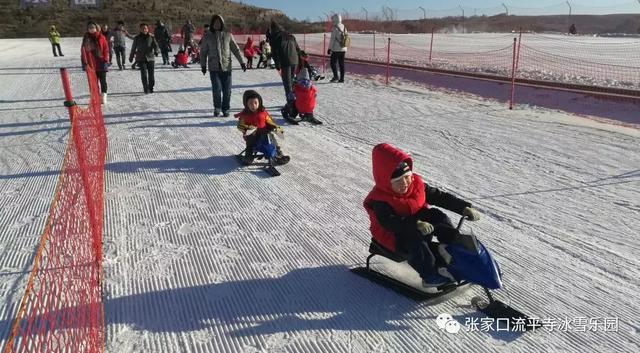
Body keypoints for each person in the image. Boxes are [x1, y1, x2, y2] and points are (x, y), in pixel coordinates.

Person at [363, 143, 481, 286]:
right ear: (386, 182)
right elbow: (389, 223)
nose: (405, 183)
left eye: (407, 177)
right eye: (398, 181)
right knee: (415, 242)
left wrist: (463, 208)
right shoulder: (380, 200)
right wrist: (416, 225)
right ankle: (430, 276)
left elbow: (439, 196)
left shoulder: (416, 185)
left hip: (420, 222)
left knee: (437, 215)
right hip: (393, 234)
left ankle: (450, 244)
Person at [200, 14, 246, 117]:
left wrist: (242, 62)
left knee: (227, 90)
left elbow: (236, 49)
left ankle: (225, 108)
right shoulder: (207, 36)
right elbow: (203, 52)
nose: (217, 24)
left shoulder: (228, 35)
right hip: (214, 68)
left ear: (222, 23)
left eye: (219, 22)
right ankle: (217, 107)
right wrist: (203, 65)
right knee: (217, 89)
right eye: (215, 22)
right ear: (212, 24)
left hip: (227, 67)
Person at [236, 90, 290, 166]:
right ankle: (248, 155)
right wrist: (247, 128)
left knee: (272, 139)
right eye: (250, 103)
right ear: (246, 104)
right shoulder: (245, 115)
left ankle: (278, 154)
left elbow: (269, 121)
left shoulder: (263, 112)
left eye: (255, 103)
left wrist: (275, 127)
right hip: (253, 134)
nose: (253, 105)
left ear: (259, 102)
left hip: (265, 133)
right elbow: (240, 125)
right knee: (251, 144)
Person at [268, 20, 301, 104]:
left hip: (285, 62)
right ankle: (296, 100)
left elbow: (275, 52)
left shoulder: (277, 37)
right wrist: (299, 60)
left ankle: (290, 103)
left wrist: (277, 64)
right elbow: (297, 49)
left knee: (287, 83)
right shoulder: (290, 36)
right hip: (295, 60)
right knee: (292, 81)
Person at [81, 21, 110, 104]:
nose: (91, 29)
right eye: (89, 27)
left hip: (101, 62)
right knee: (93, 82)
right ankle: (95, 97)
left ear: (96, 28)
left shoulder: (101, 37)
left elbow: (106, 49)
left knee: (103, 80)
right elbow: (83, 51)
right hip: (91, 63)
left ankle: (103, 96)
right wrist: (84, 62)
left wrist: (105, 59)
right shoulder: (86, 38)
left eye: (93, 27)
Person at [129, 23, 159, 94]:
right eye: (142, 28)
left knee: (151, 75)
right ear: (140, 29)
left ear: (147, 29)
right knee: (144, 75)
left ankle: (151, 87)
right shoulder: (137, 38)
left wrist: (156, 51)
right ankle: (145, 88)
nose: (144, 30)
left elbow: (156, 45)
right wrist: (131, 57)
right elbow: (133, 48)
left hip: (151, 58)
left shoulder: (151, 37)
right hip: (141, 58)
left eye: (145, 28)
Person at [328, 14, 348, 83]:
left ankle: (336, 76)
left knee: (332, 63)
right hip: (343, 48)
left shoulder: (335, 27)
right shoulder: (344, 27)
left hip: (336, 49)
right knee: (341, 64)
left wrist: (329, 48)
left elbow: (332, 39)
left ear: (335, 19)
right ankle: (342, 78)